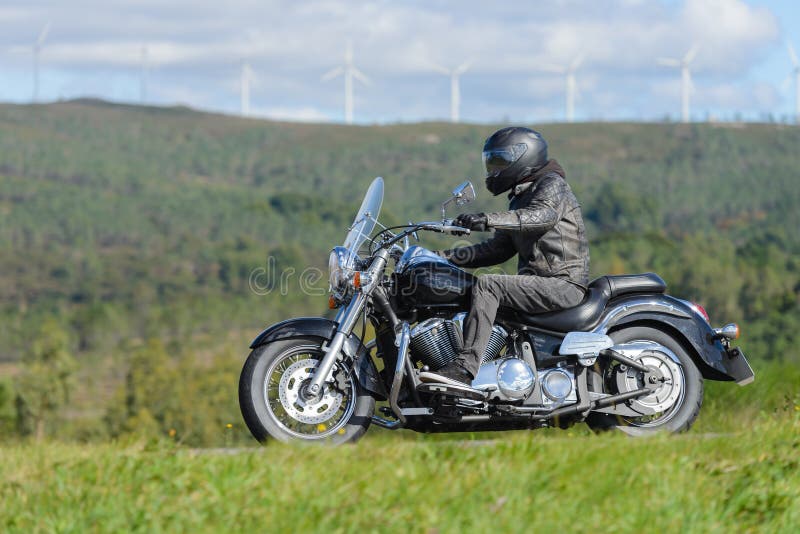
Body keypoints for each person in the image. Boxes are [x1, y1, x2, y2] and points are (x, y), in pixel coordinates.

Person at [421, 126, 590, 386]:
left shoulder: (552, 184)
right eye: (491, 162)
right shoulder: (519, 199)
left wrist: (486, 219)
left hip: (562, 283)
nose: (493, 170)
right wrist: (440, 258)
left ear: (523, 156)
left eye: (499, 161)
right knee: (466, 284)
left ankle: (465, 369)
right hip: (540, 283)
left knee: (490, 284)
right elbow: (496, 250)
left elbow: (540, 217)